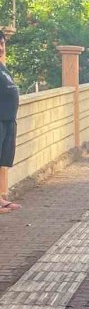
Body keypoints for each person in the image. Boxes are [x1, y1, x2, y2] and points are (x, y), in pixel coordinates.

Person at [0, 30, 21, 213]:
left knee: (2, 160)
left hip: (7, 119)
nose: (1, 48)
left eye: (2, 44)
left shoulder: (2, 66)